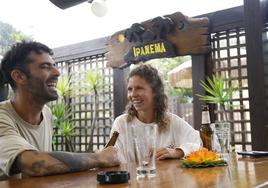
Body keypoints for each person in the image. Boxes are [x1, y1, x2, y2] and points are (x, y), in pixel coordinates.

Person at [0, 41, 119, 180]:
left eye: (54, 66)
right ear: (19, 76)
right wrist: (99, 158)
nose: (57, 72)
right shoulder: (3, 116)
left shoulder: (46, 113)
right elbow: (35, 164)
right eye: (45, 67)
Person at [110, 64, 201, 163]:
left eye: (139, 88)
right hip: (131, 178)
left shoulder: (172, 122)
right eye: (130, 89)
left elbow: (200, 143)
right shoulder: (121, 123)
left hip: (166, 178)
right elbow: (113, 157)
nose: (133, 94)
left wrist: (177, 152)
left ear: (155, 92)